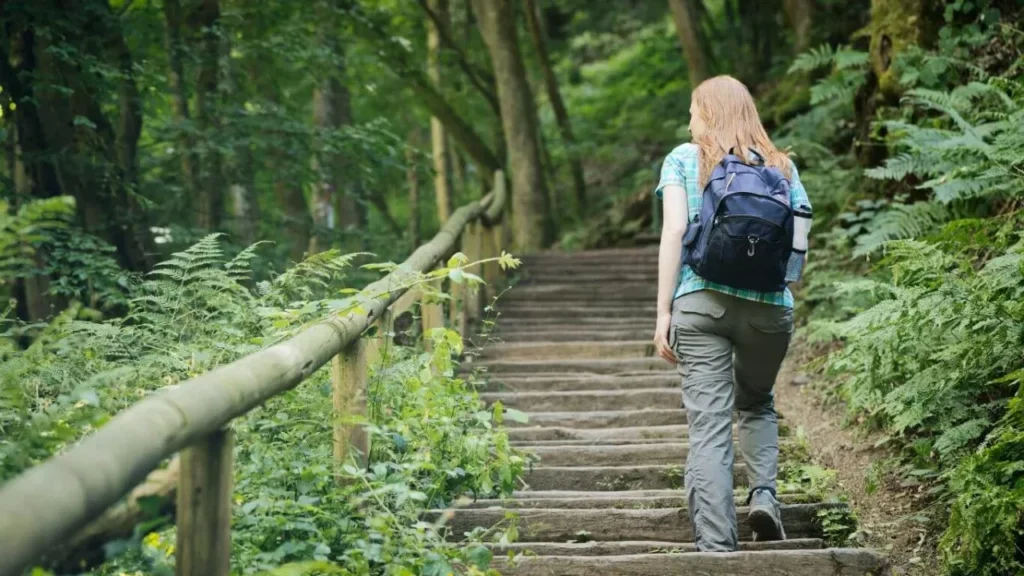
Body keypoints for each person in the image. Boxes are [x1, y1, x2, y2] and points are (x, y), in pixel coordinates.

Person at [652, 75, 812, 552]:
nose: (689, 119)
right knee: (757, 402)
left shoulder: (684, 159)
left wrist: (663, 311)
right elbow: (800, 246)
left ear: (708, 113)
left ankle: (718, 549)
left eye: (692, 110)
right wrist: (771, 288)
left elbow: (674, 232)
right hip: (768, 309)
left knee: (710, 424)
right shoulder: (783, 167)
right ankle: (764, 494)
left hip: (700, 303)